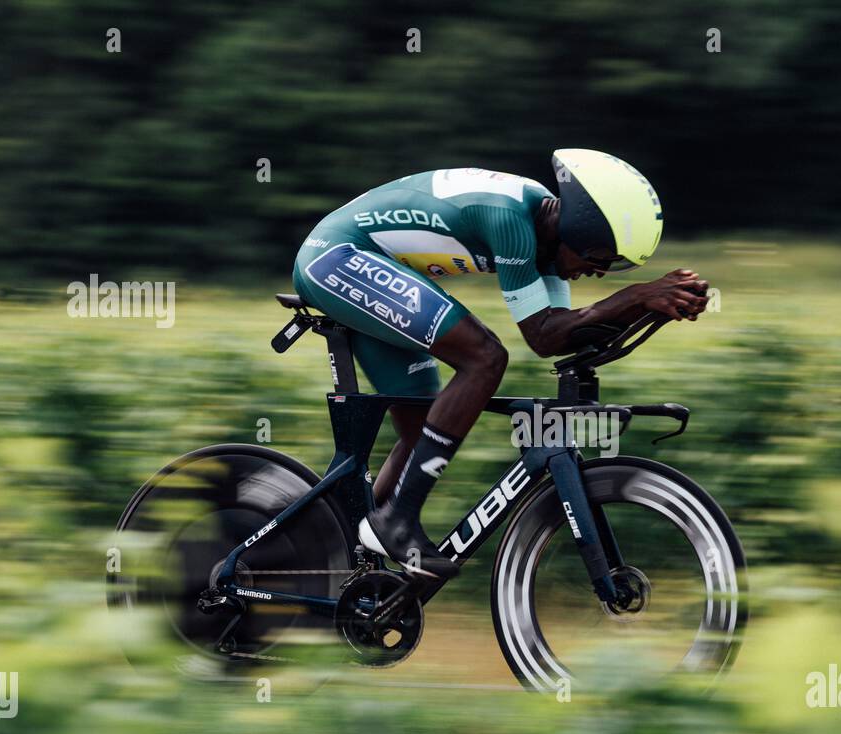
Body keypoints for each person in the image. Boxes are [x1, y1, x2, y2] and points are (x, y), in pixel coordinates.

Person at [292, 149, 709, 579]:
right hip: (337, 257)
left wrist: (654, 307)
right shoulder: (510, 221)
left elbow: (559, 338)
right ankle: (396, 522)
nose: (602, 273)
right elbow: (541, 333)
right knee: (484, 358)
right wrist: (637, 295)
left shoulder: (547, 241)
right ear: (580, 231)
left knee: (424, 427)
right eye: (604, 259)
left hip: (371, 264)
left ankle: (335, 551)